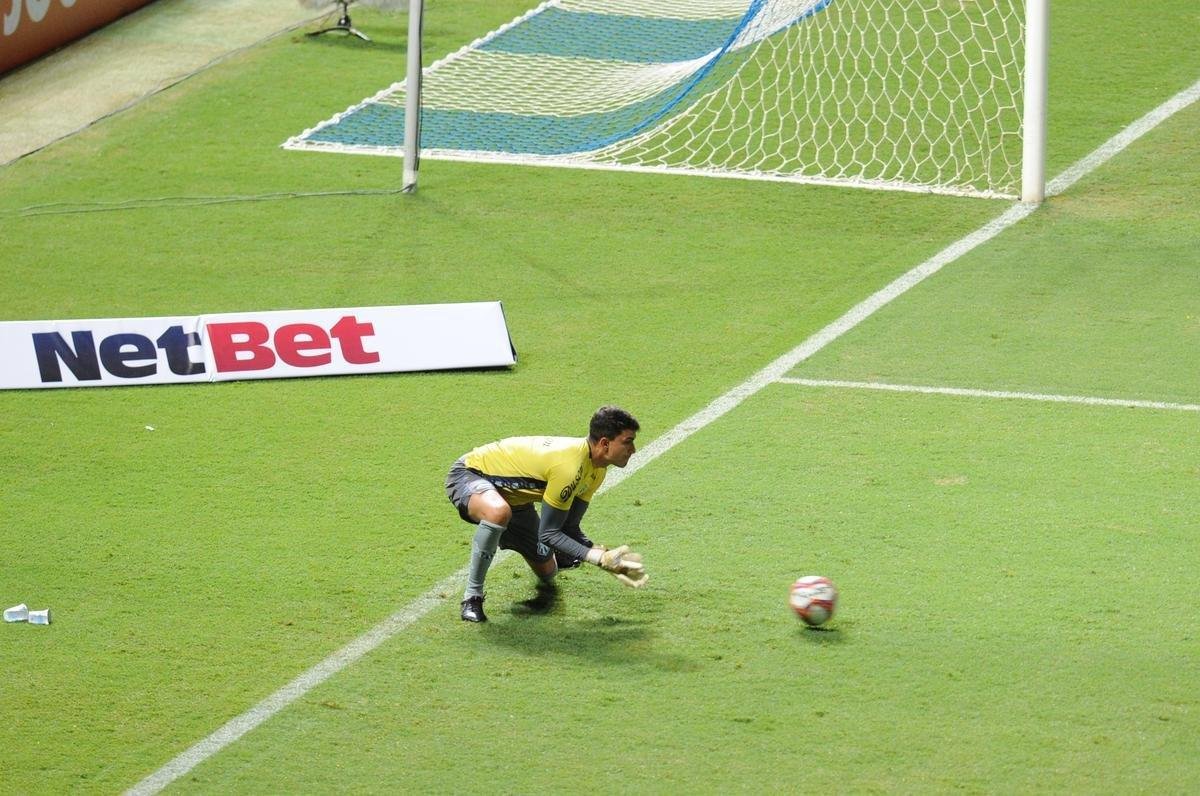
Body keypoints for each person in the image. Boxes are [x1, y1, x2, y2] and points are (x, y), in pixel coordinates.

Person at [444, 405, 649, 622]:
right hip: (470, 474)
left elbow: (568, 528)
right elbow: (549, 534)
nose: (633, 449)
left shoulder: (597, 470)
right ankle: (472, 597)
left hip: (517, 500)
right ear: (605, 444)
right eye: (627, 441)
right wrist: (597, 558)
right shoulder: (569, 467)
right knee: (498, 512)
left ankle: (551, 567)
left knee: (548, 570)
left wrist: (606, 555)